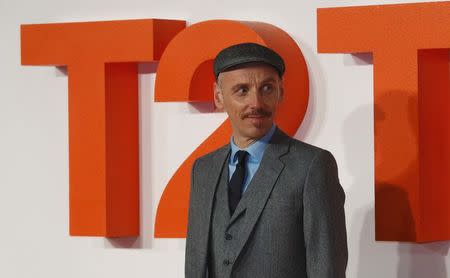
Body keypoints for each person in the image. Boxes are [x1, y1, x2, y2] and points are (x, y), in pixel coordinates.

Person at [185, 42, 348, 278]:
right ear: (219, 97)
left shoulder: (312, 166)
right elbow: (195, 263)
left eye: (267, 88)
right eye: (242, 90)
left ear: (280, 92)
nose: (257, 103)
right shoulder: (203, 169)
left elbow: (327, 269)